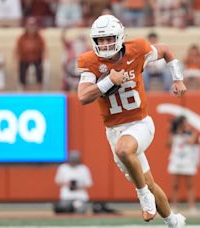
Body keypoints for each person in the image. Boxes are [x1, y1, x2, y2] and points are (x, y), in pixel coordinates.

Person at [77, 15, 186, 228]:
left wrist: (178, 78)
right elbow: (83, 96)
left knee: (125, 151)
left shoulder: (137, 50)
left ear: (118, 37)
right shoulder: (90, 62)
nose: (105, 44)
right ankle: (173, 221)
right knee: (150, 182)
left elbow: (165, 51)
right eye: (100, 40)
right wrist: (109, 80)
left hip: (140, 123)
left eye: (109, 38)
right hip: (114, 130)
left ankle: (142, 195)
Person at [167, 116, 200, 213]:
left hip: (188, 160)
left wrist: (186, 131)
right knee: (175, 185)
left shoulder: (191, 132)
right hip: (176, 160)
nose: (184, 125)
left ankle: (192, 206)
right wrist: (172, 131)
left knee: (190, 185)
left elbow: (192, 141)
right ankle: (174, 206)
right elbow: (169, 144)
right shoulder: (174, 133)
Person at [14, 17, 46, 91]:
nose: (31, 27)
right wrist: (16, 61)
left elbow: (44, 50)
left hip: (37, 58)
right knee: (22, 69)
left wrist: (44, 60)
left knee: (39, 69)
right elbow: (17, 50)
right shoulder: (21, 37)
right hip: (24, 59)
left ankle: (39, 88)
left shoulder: (39, 37)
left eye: (33, 25)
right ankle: (23, 88)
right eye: (30, 25)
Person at [61, 27, 91, 91]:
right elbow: (63, 40)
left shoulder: (88, 49)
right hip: (70, 70)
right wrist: (64, 31)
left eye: (81, 40)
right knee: (65, 82)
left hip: (82, 72)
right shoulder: (71, 45)